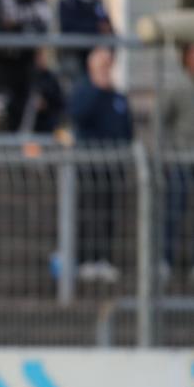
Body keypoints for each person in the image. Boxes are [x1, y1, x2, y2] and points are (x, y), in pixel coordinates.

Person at [69, 47, 133, 283]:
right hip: (88, 166)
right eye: (101, 64)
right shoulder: (85, 91)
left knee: (107, 214)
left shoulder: (117, 96)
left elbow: (127, 128)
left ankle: (103, 258)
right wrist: (97, 88)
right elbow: (78, 115)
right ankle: (85, 260)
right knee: (87, 213)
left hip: (112, 166)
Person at [0, 0, 51, 132]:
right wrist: (25, 31)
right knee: (2, 115)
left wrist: (16, 27)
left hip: (29, 67)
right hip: (5, 66)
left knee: (29, 115)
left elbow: (43, 25)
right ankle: (2, 152)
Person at [159, 41, 194, 281]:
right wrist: (165, 154)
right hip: (180, 158)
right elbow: (160, 121)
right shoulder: (176, 86)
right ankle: (165, 260)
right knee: (173, 210)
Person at [57, 0, 113, 88]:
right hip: (75, 56)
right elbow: (69, 29)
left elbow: (108, 28)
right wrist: (95, 27)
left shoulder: (97, 1)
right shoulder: (67, 1)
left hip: (95, 56)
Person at [21, 48, 65, 134]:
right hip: (29, 125)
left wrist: (46, 105)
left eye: (44, 57)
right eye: (39, 57)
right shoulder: (27, 77)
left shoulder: (52, 78)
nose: (42, 59)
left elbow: (59, 102)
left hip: (48, 124)